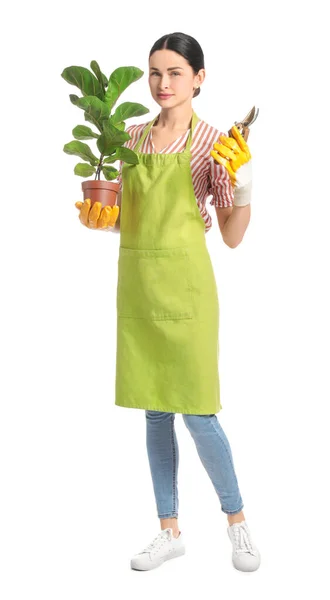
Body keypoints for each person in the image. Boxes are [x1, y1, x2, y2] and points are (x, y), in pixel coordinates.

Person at [76, 32, 260, 573]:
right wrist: (101, 218)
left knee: (200, 414)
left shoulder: (211, 144)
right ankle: (169, 530)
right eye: (155, 73)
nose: (163, 84)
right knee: (156, 412)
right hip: (138, 286)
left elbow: (231, 235)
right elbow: (128, 216)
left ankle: (238, 522)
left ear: (199, 78)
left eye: (176, 72)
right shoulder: (127, 138)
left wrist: (244, 179)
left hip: (187, 290)